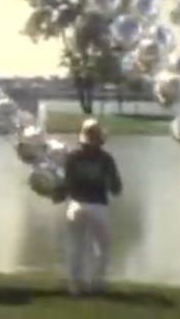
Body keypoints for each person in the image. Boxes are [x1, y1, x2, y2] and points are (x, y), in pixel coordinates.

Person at [63, 118, 123, 296]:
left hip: (75, 205)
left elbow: (66, 184)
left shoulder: (72, 157)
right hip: (97, 206)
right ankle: (96, 283)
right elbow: (116, 188)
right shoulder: (106, 159)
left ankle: (75, 285)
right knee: (103, 246)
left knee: (76, 246)